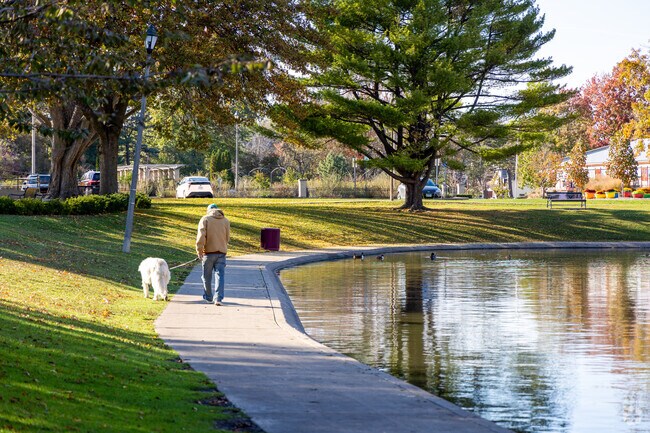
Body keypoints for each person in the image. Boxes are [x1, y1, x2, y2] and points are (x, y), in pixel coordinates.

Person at [196, 203, 230, 306]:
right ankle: (218, 298)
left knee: (206, 277)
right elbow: (227, 238)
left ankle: (209, 297)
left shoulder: (205, 219)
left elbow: (201, 236)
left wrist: (199, 250)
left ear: (208, 210)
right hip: (221, 253)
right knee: (220, 276)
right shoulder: (225, 220)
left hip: (208, 253)